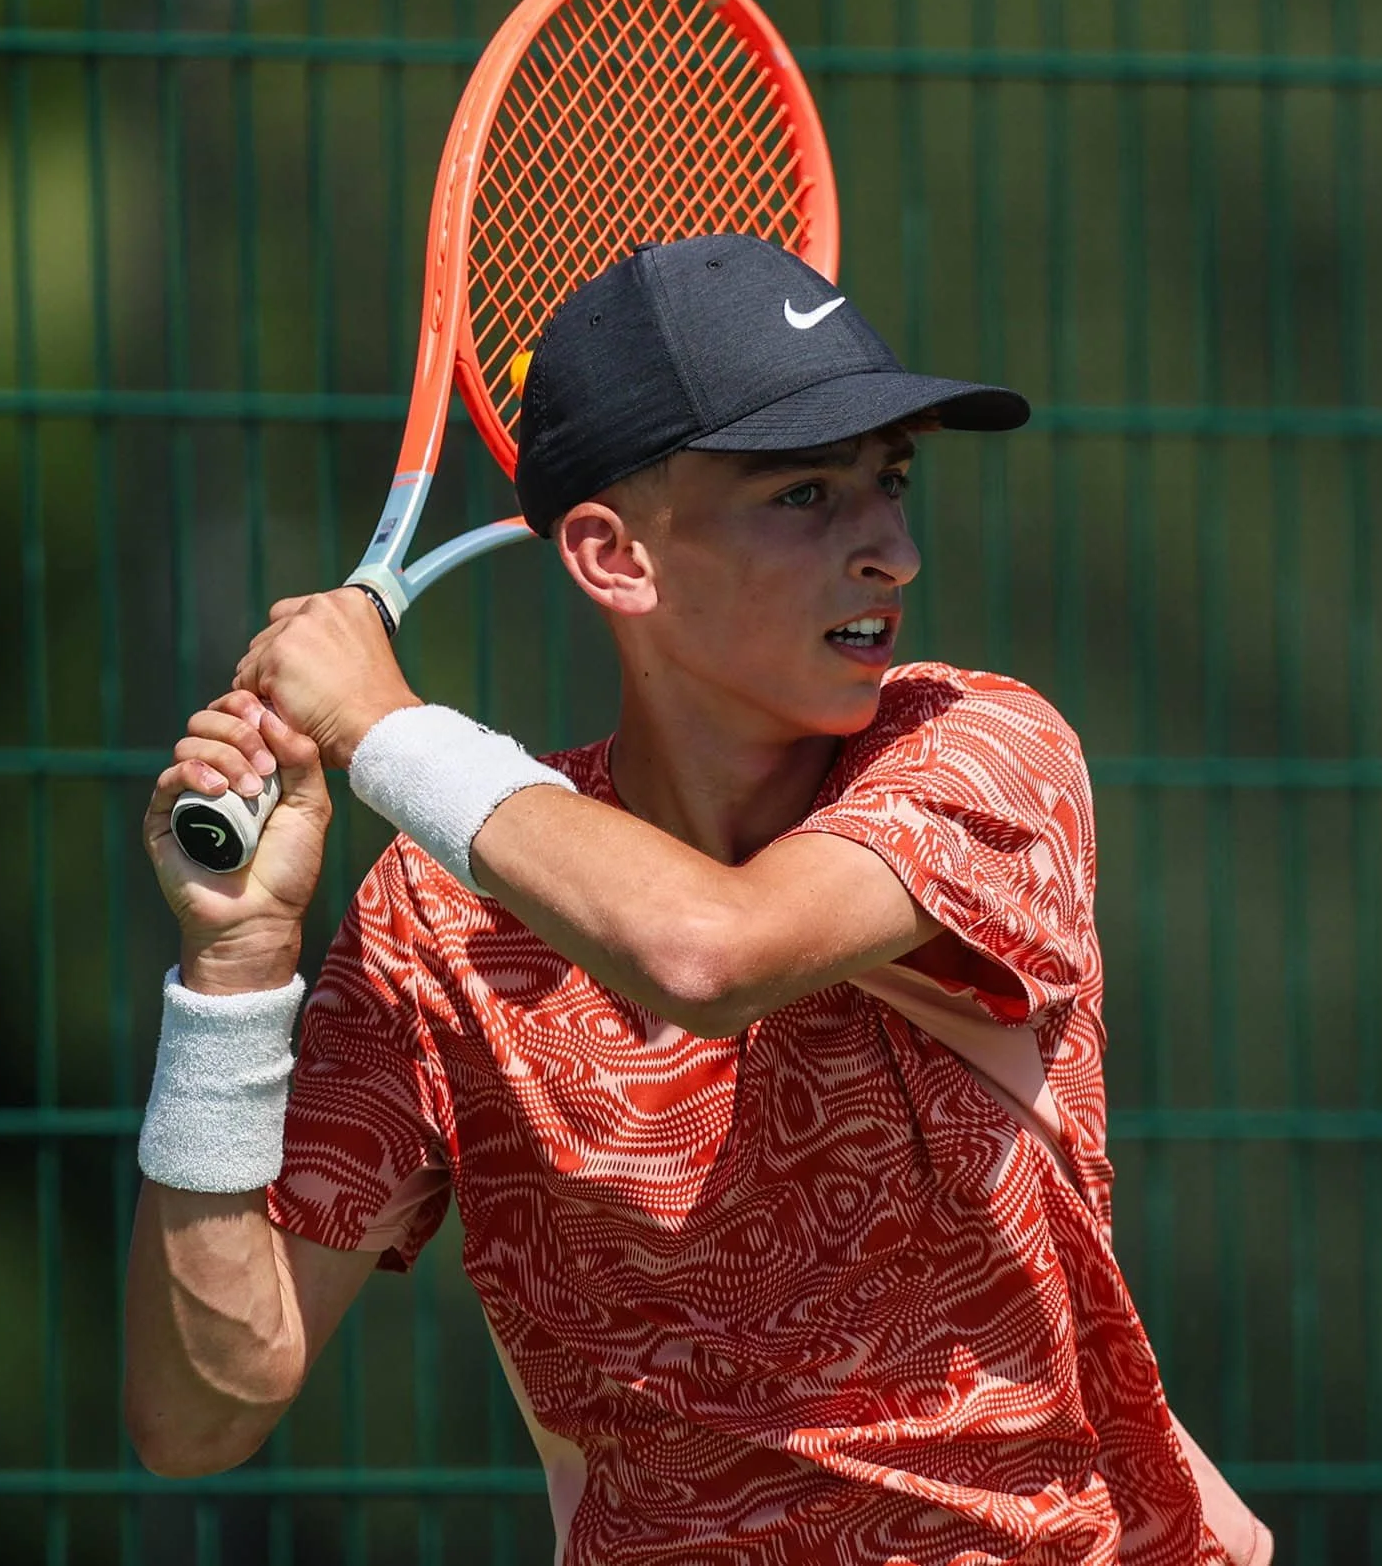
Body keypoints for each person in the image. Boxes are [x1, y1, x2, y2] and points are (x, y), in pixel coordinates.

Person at [122, 234, 1273, 1565]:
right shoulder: (438, 918)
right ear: (615, 559)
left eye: (891, 483)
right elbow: (199, 1412)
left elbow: (705, 948)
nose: (890, 548)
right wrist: (237, 968)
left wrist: (385, 729)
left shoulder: (986, 753)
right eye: (806, 495)